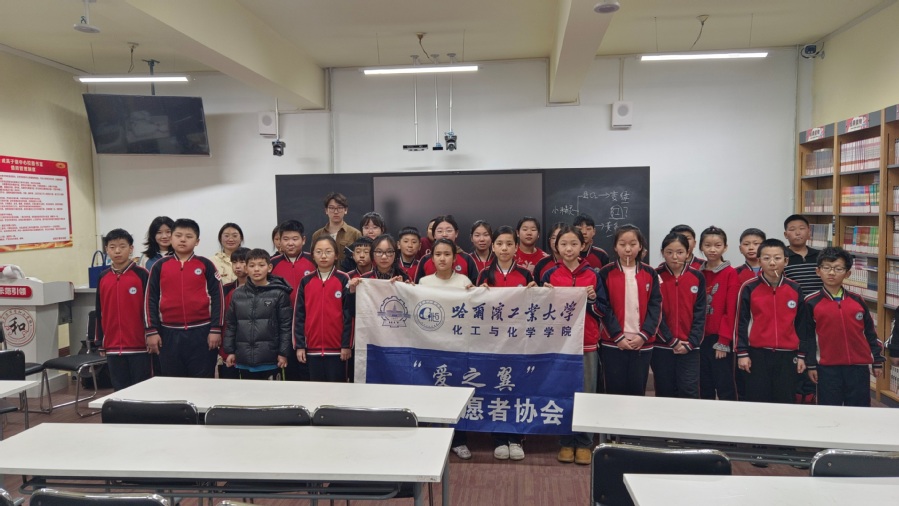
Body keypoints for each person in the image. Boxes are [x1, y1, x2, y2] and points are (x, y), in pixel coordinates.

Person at [542, 225, 608, 466]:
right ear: (556, 246)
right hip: (560, 345)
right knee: (562, 392)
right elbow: (540, 312)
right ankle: (565, 441)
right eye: (563, 244)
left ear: (583, 246)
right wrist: (543, 295)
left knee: (586, 393)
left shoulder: (593, 275)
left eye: (573, 244)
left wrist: (592, 299)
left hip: (586, 344)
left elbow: (603, 310)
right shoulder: (550, 275)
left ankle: (584, 442)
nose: (568, 249)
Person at [477, 226, 535, 461]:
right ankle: (499, 438)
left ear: (516, 247)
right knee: (497, 389)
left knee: (518, 389)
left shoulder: (525, 275)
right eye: (500, 244)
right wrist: (476, 292)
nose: (504, 248)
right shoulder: (484, 274)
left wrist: (538, 291)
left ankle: (516, 438)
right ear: (493, 247)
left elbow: (536, 306)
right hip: (492, 344)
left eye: (509, 244)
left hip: (518, 343)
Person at [801, 247, 885, 406]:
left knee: (859, 410)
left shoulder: (857, 300)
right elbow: (808, 337)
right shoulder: (810, 302)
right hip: (827, 368)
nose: (832, 273)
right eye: (826, 268)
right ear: (818, 271)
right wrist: (811, 365)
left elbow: (869, 333)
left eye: (838, 269)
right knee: (830, 410)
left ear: (848, 273)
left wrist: (877, 360)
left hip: (858, 368)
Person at [144, 218, 223, 378]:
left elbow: (218, 297)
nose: (182, 240)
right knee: (173, 382)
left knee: (203, 381)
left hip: (202, 333)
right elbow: (150, 299)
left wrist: (216, 328)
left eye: (189, 236)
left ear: (197, 241)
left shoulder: (205, 264)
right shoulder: (159, 266)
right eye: (178, 235)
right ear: (171, 238)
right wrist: (151, 331)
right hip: (169, 333)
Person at [418, 238, 474, 459]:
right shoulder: (424, 282)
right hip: (430, 347)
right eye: (438, 254)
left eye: (447, 254)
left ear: (455, 258)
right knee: (430, 392)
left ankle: (458, 441)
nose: (442, 258)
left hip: (457, 348)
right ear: (431, 258)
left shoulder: (464, 281)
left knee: (455, 393)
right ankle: (430, 439)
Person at [736, 238, 806, 404]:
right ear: (759, 261)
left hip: (788, 355)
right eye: (766, 258)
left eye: (777, 258)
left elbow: (802, 325)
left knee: (785, 400)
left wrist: (802, 355)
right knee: (758, 400)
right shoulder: (749, 287)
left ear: (786, 261)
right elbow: (741, 322)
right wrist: (742, 353)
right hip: (757, 354)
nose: (772, 263)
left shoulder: (795, 288)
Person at [597, 224, 661, 398]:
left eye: (633, 244)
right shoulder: (605, 273)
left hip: (642, 343)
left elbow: (656, 306)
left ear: (640, 246)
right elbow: (603, 307)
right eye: (622, 244)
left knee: (637, 392)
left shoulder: (650, 273)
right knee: (614, 392)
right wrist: (617, 336)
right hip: (613, 343)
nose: (627, 249)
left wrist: (644, 335)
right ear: (615, 247)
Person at [94, 228, 152, 390]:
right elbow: (99, 310)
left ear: (131, 248)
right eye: (112, 247)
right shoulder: (103, 277)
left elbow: (150, 309)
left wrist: (150, 333)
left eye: (122, 246)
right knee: (119, 389)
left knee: (142, 388)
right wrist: (100, 341)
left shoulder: (142, 274)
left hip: (139, 345)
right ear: (106, 250)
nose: (117, 251)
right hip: (112, 345)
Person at [223, 249, 293, 380]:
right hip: (243, 359)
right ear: (246, 268)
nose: (256, 269)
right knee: (247, 392)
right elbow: (231, 325)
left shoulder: (279, 294)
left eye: (261, 265)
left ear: (269, 267)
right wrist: (230, 351)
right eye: (252, 265)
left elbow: (285, 327)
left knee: (271, 393)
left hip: (271, 359)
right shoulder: (237, 294)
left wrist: (283, 353)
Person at [652, 232, 706, 399]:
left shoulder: (697, 276)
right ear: (662, 253)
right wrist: (671, 340)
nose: (675, 257)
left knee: (689, 390)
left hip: (690, 347)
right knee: (665, 391)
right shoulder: (655, 275)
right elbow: (655, 313)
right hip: (662, 346)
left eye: (680, 252)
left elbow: (700, 313)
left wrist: (691, 342)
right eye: (669, 252)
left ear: (688, 253)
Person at [294, 236, 353, 383]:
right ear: (313, 255)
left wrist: (346, 345)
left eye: (328, 251)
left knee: (338, 390)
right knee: (315, 391)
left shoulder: (344, 279)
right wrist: (300, 346)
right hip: (311, 350)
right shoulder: (306, 281)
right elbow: (299, 316)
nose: (324, 256)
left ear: (336, 255)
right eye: (319, 252)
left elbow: (349, 316)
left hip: (338, 350)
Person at [698, 226, 739, 401]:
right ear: (701, 247)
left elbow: (731, 309)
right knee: (704, 383)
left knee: (724, 384)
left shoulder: (730, 273)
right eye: (707, 245)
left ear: (725, 247)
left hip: (719, 338)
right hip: (700, 337)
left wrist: (723, 341)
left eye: (717, 245)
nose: (712, 249)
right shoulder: (698, 273)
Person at [271, 220, 315, 382]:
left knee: (308, 370)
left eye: (295, 239)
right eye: (286, 239)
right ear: (279, 241)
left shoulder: (314, 260)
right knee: (288, 371)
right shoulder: (271, 264)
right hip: (282, 325)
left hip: (308, 322)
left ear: (303, 240)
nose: (290, 243)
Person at [414, 215, 479, 284]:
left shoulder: (467, 259)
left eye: (449, 231)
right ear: (434, 235)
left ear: (456, 233)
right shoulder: (425, 259)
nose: (444, 234)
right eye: (440, 231)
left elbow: (476, 287)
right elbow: (417, 287)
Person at [218, 247, 250, 380]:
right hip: (229, 346)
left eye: (242, 262)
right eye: (234, 262)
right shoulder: (225, 289)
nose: (238, 266)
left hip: (251, 348)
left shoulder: (261, 289)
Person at [311, 192, 362, 264]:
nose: (335, 212)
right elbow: (313, 259)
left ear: (345, 210)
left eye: (340, 208)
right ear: (326, 210)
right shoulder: (317, 235)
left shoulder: (355, 234)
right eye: (332, 208)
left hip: (347, 271)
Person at [783, 214, 823, 294]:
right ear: (785, 235)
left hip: (818, 301)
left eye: (802, 228)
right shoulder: (781, 257)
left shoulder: (821, 256)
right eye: (792, 229)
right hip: (793, 300)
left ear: (809, 232)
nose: (798, 233)